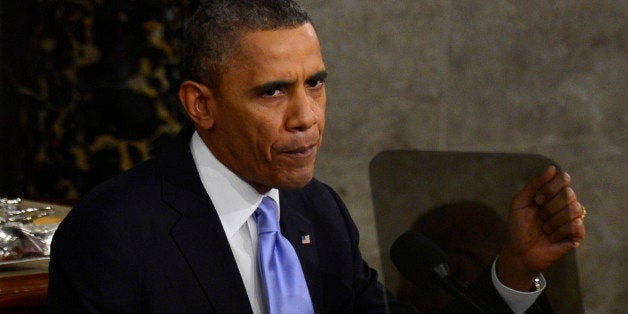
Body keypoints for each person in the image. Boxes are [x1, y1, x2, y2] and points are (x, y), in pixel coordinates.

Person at [46, 1, 586, 313]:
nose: (307, 116)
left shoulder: (318, 212)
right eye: (273, 91)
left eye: (317, 83)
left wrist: (514, 269)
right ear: (201, 105)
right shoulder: (116, 232)